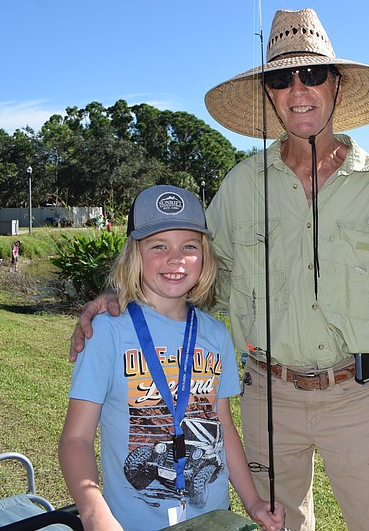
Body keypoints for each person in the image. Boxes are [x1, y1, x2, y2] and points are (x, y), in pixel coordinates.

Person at [70, 8, 369, 530]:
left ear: (338, 87)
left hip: (362, 398)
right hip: (265, 396)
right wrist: (115, 299)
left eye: (313, 74)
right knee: (276, 524)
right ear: (270, 96)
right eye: (282, 78)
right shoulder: (239, 186)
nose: (298, 88)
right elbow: (193, 271)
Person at [59, 185, 284, 531]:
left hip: (212, 518)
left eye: (189, 246)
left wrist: (253, 501)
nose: (175, 259)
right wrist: (93, 513)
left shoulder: (216, 335)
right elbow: (75, 439)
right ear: (135, 253)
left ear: (205, 256)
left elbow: (223, 426)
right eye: (159, 245)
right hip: (131, 524)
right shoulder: (106, 332)